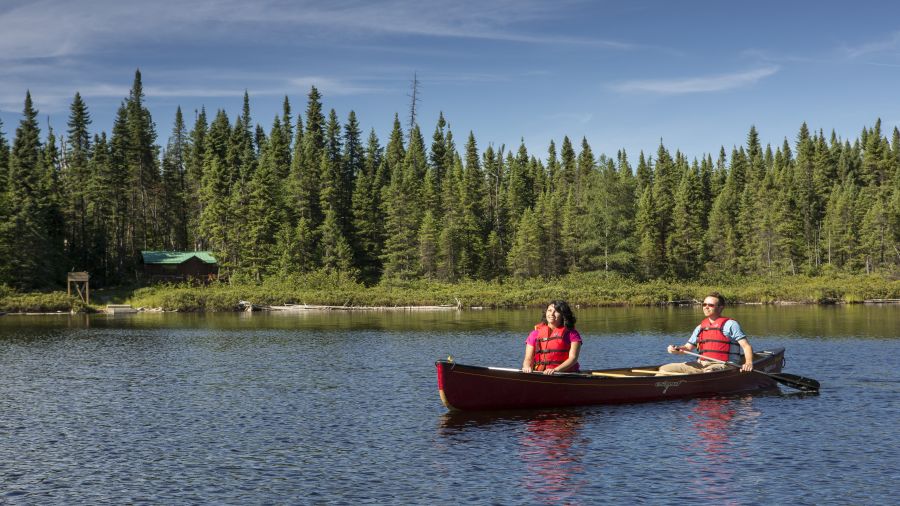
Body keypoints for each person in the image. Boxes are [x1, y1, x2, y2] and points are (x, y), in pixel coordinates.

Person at [659, 292, 754, 374]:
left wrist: (748, 363)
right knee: (664, 369)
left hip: (725, 365)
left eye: (710, 305)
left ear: (721, 307)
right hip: (701, 364)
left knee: (709, 372)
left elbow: (746, 346)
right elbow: (688, 348)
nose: (706, 307)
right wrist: (676, 349)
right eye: (704, 305)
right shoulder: (700, 327)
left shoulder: (731, 325)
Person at [522, 300, 582, 375]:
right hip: (540, 373)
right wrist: (527, 366)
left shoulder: (572, 334)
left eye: (556, 311)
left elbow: (573, 358)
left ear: (563, 315)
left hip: (565, 374)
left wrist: (556, 370)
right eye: (549, 310)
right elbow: (528, 358)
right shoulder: (534, 334)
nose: (552, 314)